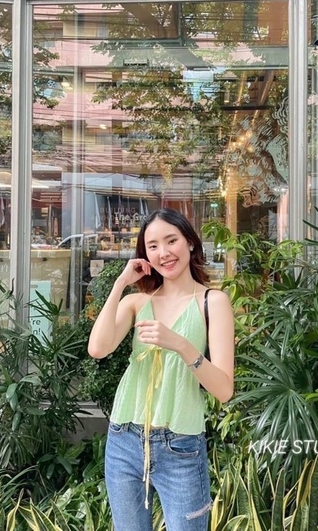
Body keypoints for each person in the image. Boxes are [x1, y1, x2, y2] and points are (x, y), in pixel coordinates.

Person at [88, 207, 235, 531]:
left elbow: (224, 390)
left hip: (180, 446)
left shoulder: (213, 301)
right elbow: (98, 348)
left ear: (190, 243)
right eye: (153, 246)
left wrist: (181, 344)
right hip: (124, 440)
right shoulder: (137, 302)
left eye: (171, 241)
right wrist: (121, 283)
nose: (163, 253)